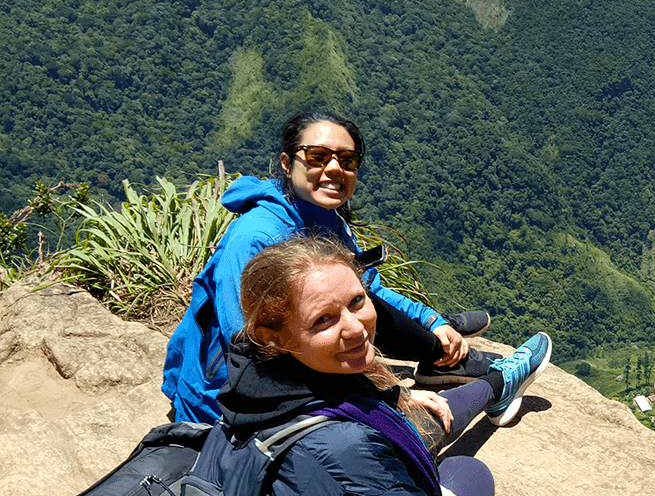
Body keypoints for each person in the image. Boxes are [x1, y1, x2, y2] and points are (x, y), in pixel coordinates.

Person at [218, 235, 551, 496]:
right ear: (275, 335)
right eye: (323, 319)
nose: (355, 328)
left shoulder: (260, 386)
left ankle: (497, 384)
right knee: (469, 472)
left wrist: (392, 401)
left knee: (423, 417)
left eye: (357, 301)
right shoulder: (341, 453)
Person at [164, 111, 496, 424]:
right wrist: (385, 394)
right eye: (317, 157)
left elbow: (369, 289)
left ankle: (435, 350)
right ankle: (446, 362)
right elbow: (249, 346)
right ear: (286, 162)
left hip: (295, 365)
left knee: (356, 305)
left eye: (347, 160)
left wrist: (431, 320)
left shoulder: (326, 219)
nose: (335, 168)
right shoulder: (255, 238)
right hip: (228, 399)